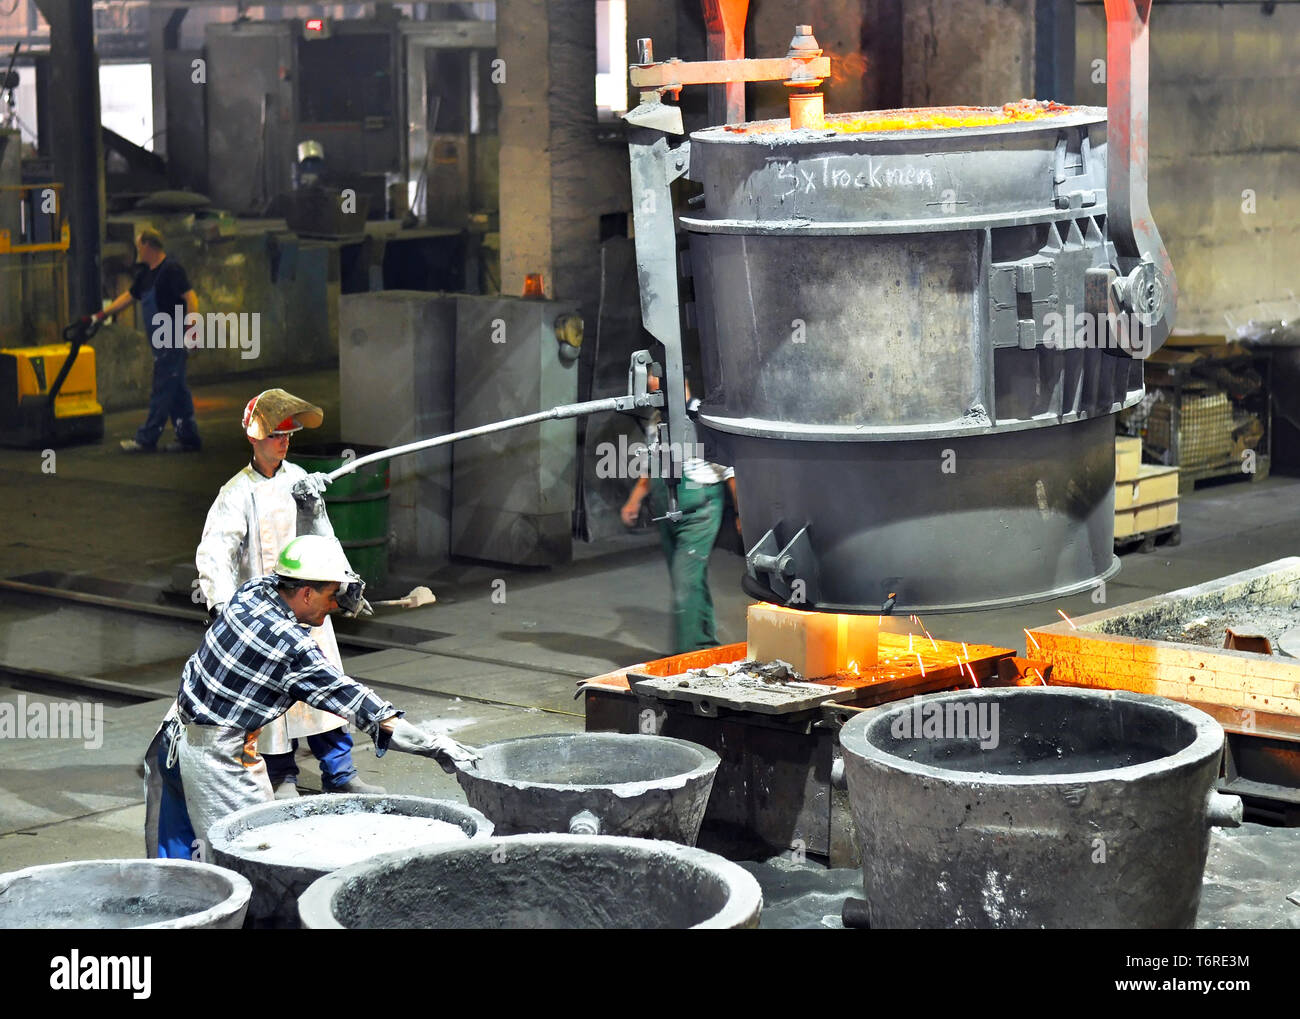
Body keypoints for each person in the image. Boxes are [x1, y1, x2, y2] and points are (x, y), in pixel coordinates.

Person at [175, 534, 478, 847]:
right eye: (332, 596)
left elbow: (293, 594)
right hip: (220, 757)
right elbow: (360, 705)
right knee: (248, 851)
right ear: (306, 593)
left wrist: (345, 598)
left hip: (191, 731)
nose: (335, 605)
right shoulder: (290, 645)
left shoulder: (256, 591)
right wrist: (435, 746)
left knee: (250, 841)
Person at [195, 388, 381, 797]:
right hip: (266, 617)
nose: (284, 442)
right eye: (277, 435)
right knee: (272, 699)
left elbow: (324, 540)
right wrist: (223, 607)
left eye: (288, 436)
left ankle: (340, 771)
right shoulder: (235, 494)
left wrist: (343, 582)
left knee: (326, 688)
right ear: (255, 438)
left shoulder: (301, 481)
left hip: (310, 608)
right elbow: (214, 555)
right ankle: (281, 775)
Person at [620, 374, 740, 653]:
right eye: (652, 392)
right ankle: (705, 643)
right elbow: (651, 466)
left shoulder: (701, 417)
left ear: (680, 383)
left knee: (685, 580)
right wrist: (634, 501)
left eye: (658, 390)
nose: (655, 397)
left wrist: (740, 512)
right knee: (687, 579)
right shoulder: (655, 421)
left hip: (701, 509)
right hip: (668, 509)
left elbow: (729, 470)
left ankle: (687, 654)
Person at [95, 227, 202, 453]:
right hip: (159, 341)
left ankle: (147, 438)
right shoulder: (145, 275)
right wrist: (103, 314)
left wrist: (192, 326)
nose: (137, 251)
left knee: (162, 388)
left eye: (138, 246)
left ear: (147, 246)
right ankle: (189, 438)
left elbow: (190, 297)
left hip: (172, 338)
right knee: (177, 390)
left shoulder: (171, 270)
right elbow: (128, 297)